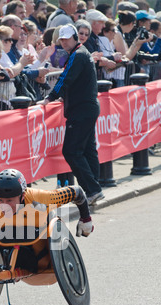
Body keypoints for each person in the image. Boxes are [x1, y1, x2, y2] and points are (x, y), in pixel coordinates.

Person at [0, 169, 93, 274]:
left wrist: (86, 219)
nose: (4, 206)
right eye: (0, 201)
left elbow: (77, 192)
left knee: (41, 263)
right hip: (10, 236)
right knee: (2, 238)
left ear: (22, 196)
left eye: (9, 201)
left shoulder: (40, 198)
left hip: (39, 234)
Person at [43, 24, 104, 205]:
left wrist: (50, 97)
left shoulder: (78, 55)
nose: (63, 42)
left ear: (75, 37)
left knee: (71, 151)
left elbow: (66, 78)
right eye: (61, 39)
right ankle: (94, 189)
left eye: (66, 38)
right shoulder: (81, 52)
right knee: (87, 150)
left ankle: (93, 190)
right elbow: (73, 80)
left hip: (82, 110)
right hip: (86, 107)